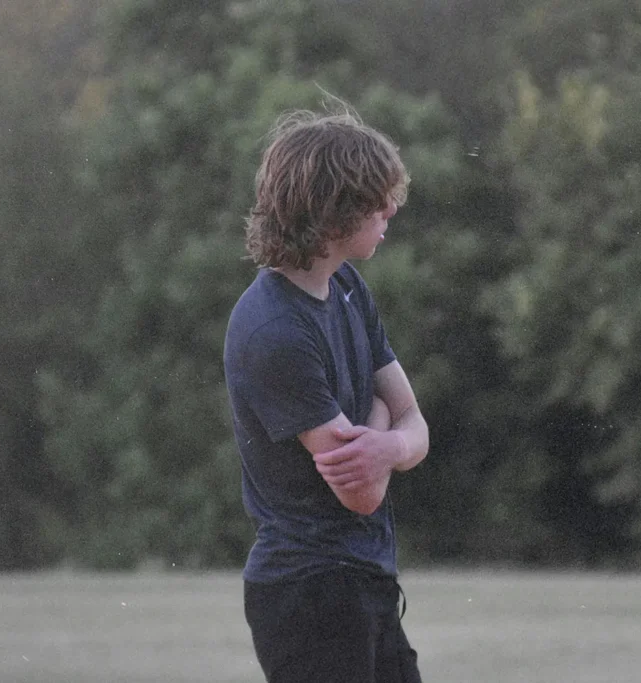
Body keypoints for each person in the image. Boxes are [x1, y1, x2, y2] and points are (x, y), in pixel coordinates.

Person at [223, 105, 429, 683]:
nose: (391, 210)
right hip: (308, 594)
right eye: (375, 201)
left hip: (363, 577)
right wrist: (389, 426)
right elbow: (360, 494)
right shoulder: (275, 332)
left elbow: (415, 422)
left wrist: (383, 439)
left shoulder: (345, 283)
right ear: (333, 212)